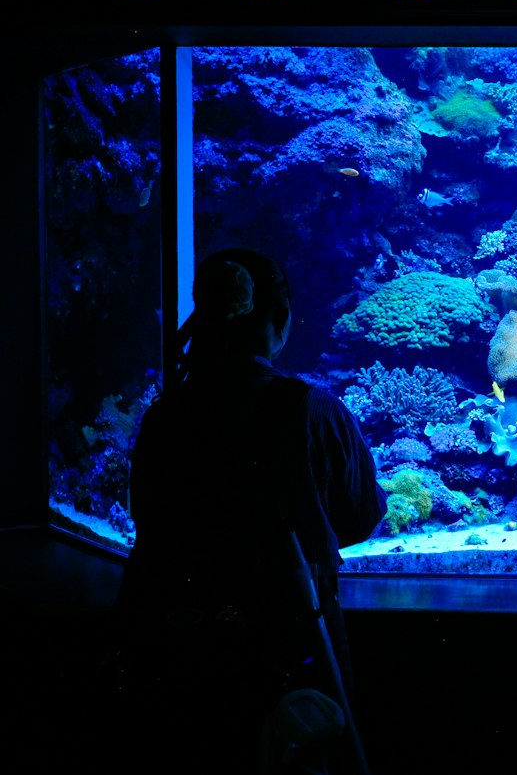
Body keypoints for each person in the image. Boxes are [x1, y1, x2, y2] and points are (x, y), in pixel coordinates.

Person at [113, 249, 387, 774]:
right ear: (278, 317)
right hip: (291, 654)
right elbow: (359, 516)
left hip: (177, 657)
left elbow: (147, 520)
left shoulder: (165, 416)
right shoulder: (312, 410)